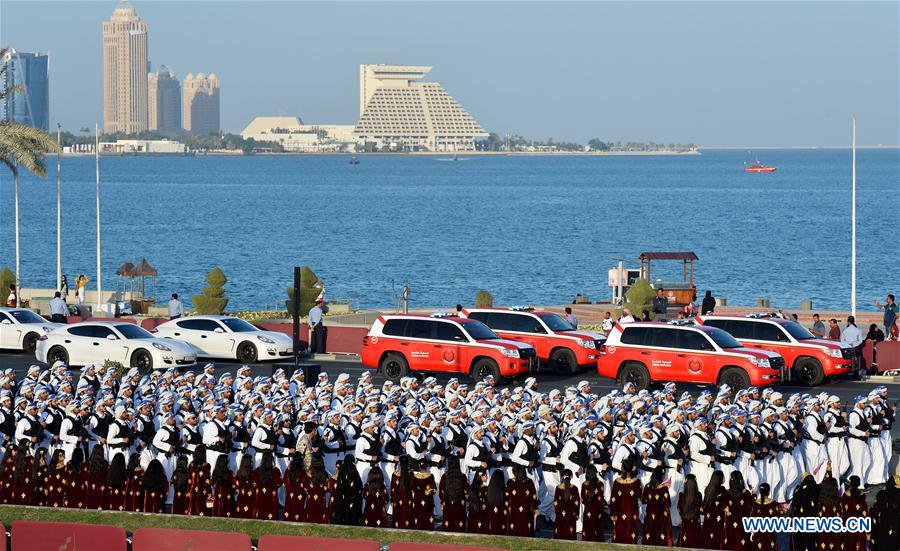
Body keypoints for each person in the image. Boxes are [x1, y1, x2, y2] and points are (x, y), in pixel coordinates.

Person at [641, 466, 673, 546]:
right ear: (660, 476)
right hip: (660, 514)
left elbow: (643, 500)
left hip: (649, 512)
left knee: (649, 530)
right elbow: (668, 503)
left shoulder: (647, 486)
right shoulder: (664, 488)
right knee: (659, 531)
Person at [505, 466, 538, 538]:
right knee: (526, 528)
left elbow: (506, 497)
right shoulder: (529, 482)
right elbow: (534, 497)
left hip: (514, 509)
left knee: (515, 528)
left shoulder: (510, 482)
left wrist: (506, 508)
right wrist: (536, 508)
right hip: (526, 509)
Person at [331, 456, 363, 526]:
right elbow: (359, 488)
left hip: (342, 502)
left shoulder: (342, 472)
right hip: (352, 501)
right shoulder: (354, 473)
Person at [439, 457, 468, 532]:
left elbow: (441, 491)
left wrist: (442, 501)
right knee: (459, 522)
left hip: (447, 503)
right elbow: (467, 490)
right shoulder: (463, 476)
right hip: (459, 504)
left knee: (448, 522)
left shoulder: (445, 476)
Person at [840, 475, 868, 551]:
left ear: (850, 483)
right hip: (859, 525)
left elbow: (842, 510)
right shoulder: (862, 495)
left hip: (848, 524)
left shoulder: (845, 495)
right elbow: (865, 512)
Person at [749, 483, 779, 551]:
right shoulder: (773, 503)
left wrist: (752, 532)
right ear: (768, 491)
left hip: (758, 533)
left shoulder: (756, 503)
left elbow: (752, 518)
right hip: (770, 533)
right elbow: (777, 518)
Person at [581, 464, 606, 542]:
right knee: (598, 526)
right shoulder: (600, 484)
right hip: (598, 510)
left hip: (588, 509)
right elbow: (601, 498)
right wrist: (604, 504)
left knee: (588, 525)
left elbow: (583, 499)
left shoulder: (584, 484)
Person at [553, 469, 580, 540]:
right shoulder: (574, 488)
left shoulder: (558, 488)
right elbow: (576, 503)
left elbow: (555, 502)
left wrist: (557, 512)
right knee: (570, 534)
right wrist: (576, 514)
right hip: (571, 515)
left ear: (562, 477)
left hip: (560, 515)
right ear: (571, 477)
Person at [677, 474, 703, 548]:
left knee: (684, 543)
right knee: (695, 543)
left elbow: (679, 508)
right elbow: (701, 510)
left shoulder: (682, 495)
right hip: (695, 522)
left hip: (685, 522)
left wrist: (682, 515)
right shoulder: (698, 495)